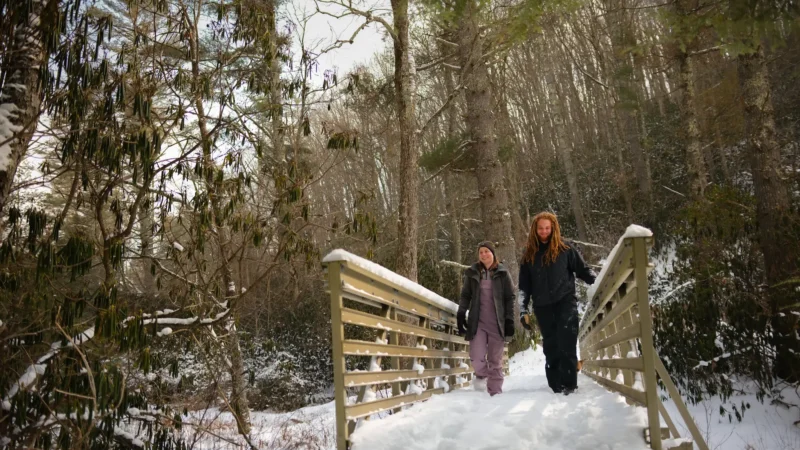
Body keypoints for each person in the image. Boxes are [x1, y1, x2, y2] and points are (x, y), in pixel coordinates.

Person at [518, 212, 595, 395]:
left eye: (547, 228)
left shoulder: (566, 249)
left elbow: (583, 271)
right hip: (542, 306)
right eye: (540, 229)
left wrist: (598, 282)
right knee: (551, 345)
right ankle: (555, 385)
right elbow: (524, 287)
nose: (544, 232)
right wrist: (523, 310)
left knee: (567, 341)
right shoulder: (529, 255)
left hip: (565, 301)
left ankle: (569, 385)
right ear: (534, 230)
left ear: (553, 228)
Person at [457, 241, 515, 396]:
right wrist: (461, 313)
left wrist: (509, 319)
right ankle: (482, 376)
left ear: (493, 254)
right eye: (481, 252)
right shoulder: (472, 272)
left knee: (495, 361)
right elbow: (465, 295)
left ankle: (495, 393)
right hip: (478, 323)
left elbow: (510, 298)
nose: (483, 254)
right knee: (476, 358)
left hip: (497, 323)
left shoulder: (503, 273)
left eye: (486, 251)